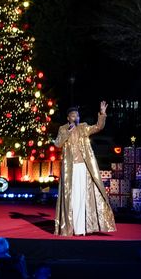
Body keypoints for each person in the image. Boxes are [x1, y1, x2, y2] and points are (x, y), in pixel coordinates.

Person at [53, 101, 116, 236]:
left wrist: (102, 114)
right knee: (72, 196)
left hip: (83, 167)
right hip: (69, 169)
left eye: (77, 115)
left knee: (82, 196)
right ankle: (71, 227)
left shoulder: (83, 127)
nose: (75, 117)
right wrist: (68, 132)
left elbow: (98, 127)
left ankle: (81, 228)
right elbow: (58, 144)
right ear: (68, 118)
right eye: (72, 115)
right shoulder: (63, 129)